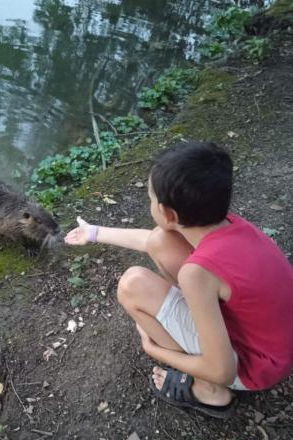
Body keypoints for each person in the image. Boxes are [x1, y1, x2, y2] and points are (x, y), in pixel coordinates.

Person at [64, 141, 293, 419]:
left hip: (254, 367)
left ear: (169, 214)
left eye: (151, 199)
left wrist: (155, 349)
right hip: (276, 347)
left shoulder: (197, 274)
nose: (149, 203)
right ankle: (196, 348)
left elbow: (224, 370)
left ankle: (210, 392)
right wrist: (95, 233)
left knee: (132, 285)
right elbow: (152, 240)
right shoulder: (229, 225)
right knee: (162, 241)